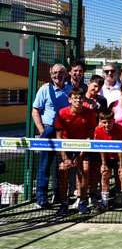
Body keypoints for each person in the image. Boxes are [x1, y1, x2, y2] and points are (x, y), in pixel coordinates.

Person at [32, 63, 72, 208]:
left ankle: (60, 195)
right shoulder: (44, 89)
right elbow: (35, 110)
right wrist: (42, 130)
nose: (57, 75)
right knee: (44, 164)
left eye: (60, 72)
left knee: (63, 164)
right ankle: (41, 198)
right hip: (48, 131)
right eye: (55, 72)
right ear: (50, 74)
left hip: (65, 133)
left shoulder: (70, 90)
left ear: (66, 74)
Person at [54, 87, 94, 215]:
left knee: (85, 171)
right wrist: (65, 157)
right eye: (75, 98)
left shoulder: (89, 114)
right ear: (70, 100)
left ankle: (82, 202)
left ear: (83, 99)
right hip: (65, 147)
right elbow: (58, 136)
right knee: (63, 172)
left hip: (83, 147)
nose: (78, 100)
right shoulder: (62, 113)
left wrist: (80, 156)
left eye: (80, 98)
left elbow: (90, 137)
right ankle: (64, 204)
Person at [94, 110, 122, 213]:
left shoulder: (121, 130)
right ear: (101, 121)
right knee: (104, 175)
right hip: (106, 157)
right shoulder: (98, 130)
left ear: (113, 121)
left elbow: (121, 149)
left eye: (109, 122)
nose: (107, 125)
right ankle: (105, 203)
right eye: (104, 122)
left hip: (120, 157)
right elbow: (101, 149)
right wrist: (103, 164)